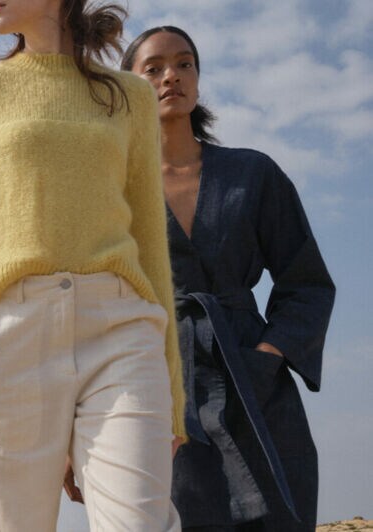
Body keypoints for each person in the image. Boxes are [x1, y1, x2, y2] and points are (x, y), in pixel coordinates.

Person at [0, 1, 188, 530]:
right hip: (5, 337)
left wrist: (174, 394)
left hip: (122, 331)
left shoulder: (130, 95)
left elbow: (151, 248)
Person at [122, 26, 335, 531]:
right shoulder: (115, 190)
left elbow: (306, 282)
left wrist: (269, 356)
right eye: (152, 68)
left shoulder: (253, 174)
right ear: (129, 87)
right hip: (160, 381)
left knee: (281, 514)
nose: (171, 75)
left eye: (184, 63)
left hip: (254, 378)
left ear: (197, 77)